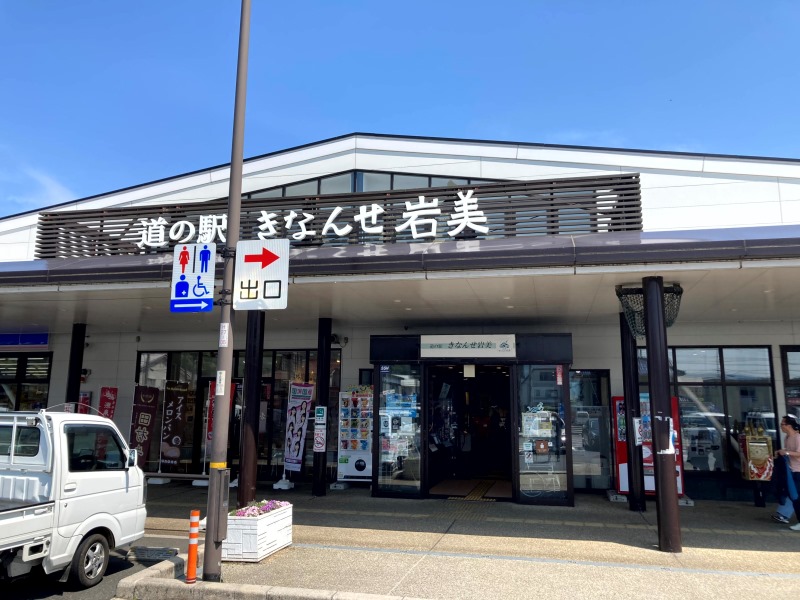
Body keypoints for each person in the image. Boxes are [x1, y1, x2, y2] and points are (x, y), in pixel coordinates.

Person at [773, 415, 800, 530]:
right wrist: (781, 452)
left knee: (796, 496)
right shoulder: (787, 438)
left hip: (798, 470)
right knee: (793, 495)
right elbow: (789, 452)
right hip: (791, 470)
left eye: (782, 424)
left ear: (789, 425)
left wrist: (787, 453)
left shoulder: (798, 437)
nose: (781, 426)